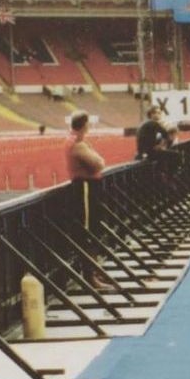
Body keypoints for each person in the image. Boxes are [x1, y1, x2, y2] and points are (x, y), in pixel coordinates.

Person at [65, 110, 111, 292]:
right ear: (84, 124)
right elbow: (99, 164)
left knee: (92, 231)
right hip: (85, 189)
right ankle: (90, 276)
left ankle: (94, 272)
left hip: (89, 188)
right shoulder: (77, 143)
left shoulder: (77, 141)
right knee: (89, 233)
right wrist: (98, 158)